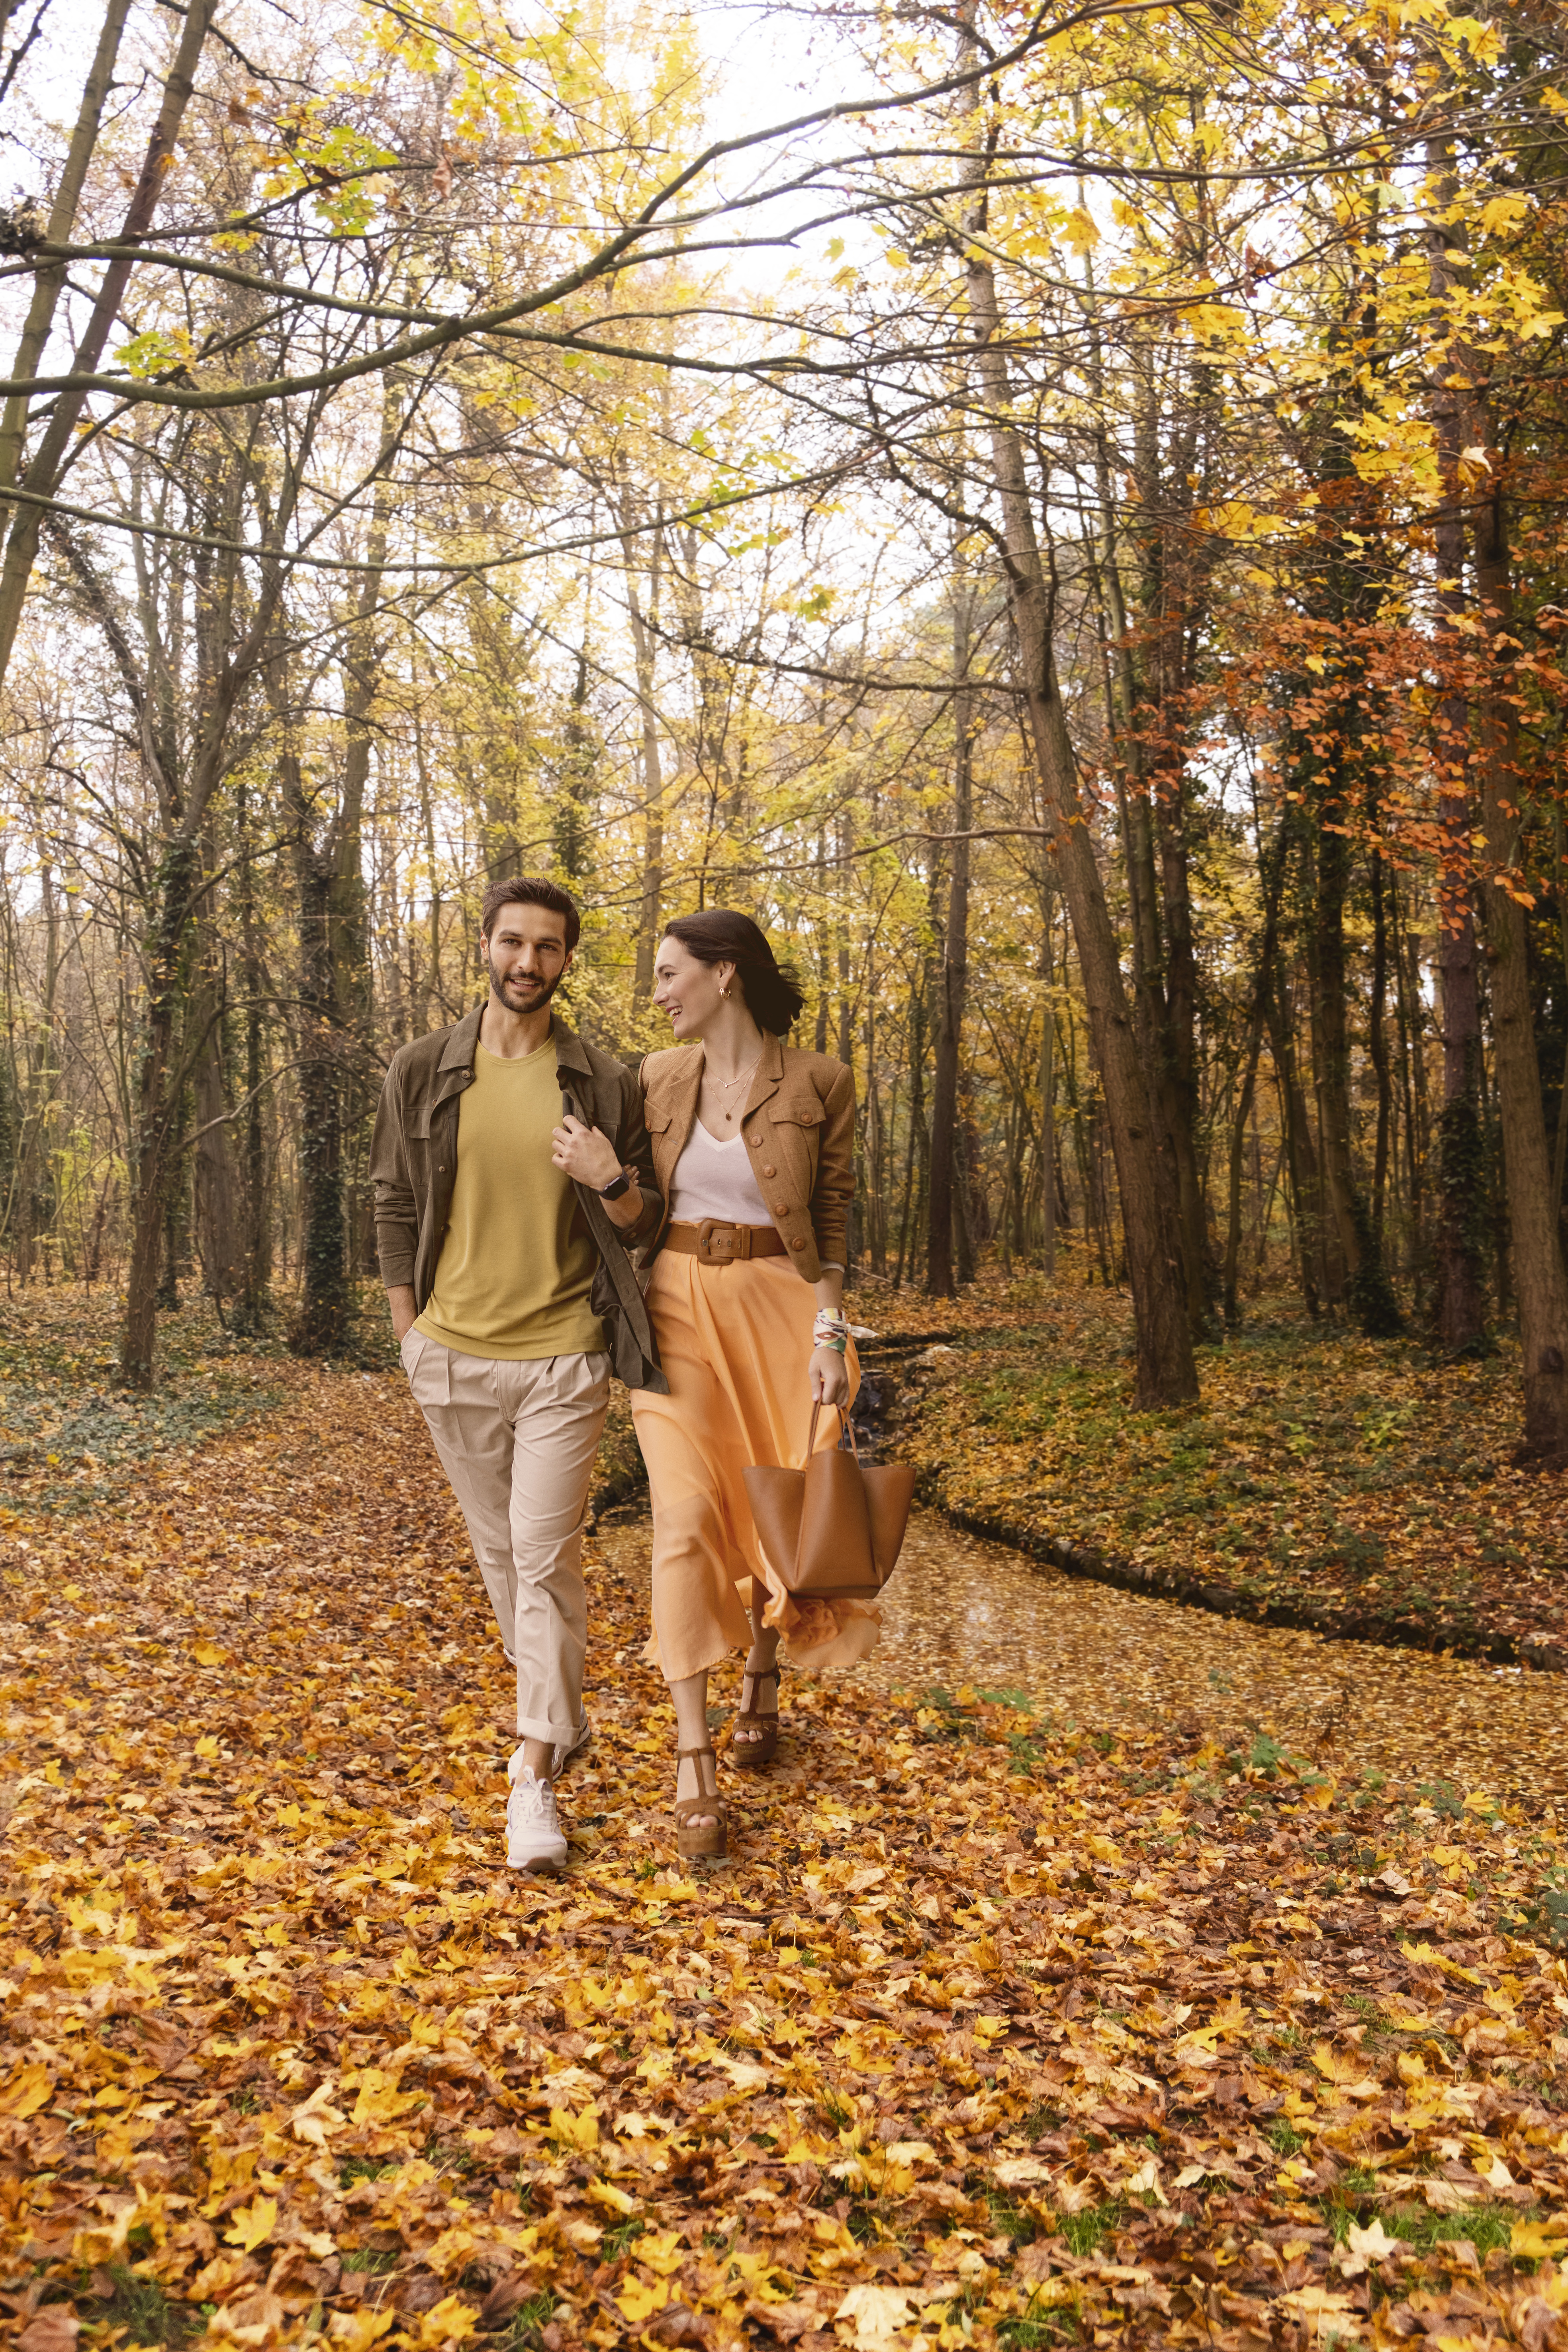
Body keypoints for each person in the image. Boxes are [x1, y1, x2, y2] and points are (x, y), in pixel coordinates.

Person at [370, 877, 664, 1874]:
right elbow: (393, 1206)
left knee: (541, 1560)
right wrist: (411, 1336)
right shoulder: (421, 1069)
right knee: (508, 1565)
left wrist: (608, 1176)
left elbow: (646, 1222)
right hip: (451, 1358)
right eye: (513, 943)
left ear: (567, 960)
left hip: (561, 1361)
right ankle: (563, 1714)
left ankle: (533, 1774)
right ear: (485, 947)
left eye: (547, 947)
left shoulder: (604, 1082)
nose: (527, 962)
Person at [618, 908, 876, 1860]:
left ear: (724, 974)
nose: (657, 992)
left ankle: (763, 1664)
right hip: (676, 1309)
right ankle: (693, 1754)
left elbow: (835, 1218)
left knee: (779, 1509)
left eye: (668, 972)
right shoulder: (653, 1076)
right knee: (685, 1518)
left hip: (781, 1310)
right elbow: (635, 1209)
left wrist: (829, 1329)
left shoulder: (820, 1079)